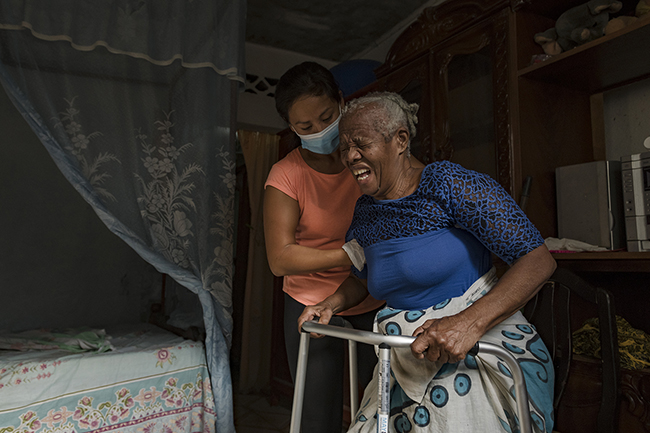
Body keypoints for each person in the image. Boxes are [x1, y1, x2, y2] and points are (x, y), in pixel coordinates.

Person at [298, 92, 557, 433]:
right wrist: (329, 304)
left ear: (400, 140)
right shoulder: (366, 213)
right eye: (344, 147)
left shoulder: (449, 185)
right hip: (404, 355)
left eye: (361, 144)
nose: (349, 156)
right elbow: (362, 279)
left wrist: (466, 325)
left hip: (473, 348)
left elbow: (537, 260)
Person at [263, 62, 388, 433]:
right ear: (291, 127)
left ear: (341, 102)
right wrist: (350, 254)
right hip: (312, 306)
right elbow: (280, 258)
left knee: (379, 409)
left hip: (371, 297)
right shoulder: (286, 176)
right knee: (317, 416)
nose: (319, 131)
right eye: (306, 127)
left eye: (326, 117)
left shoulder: (365, 157)